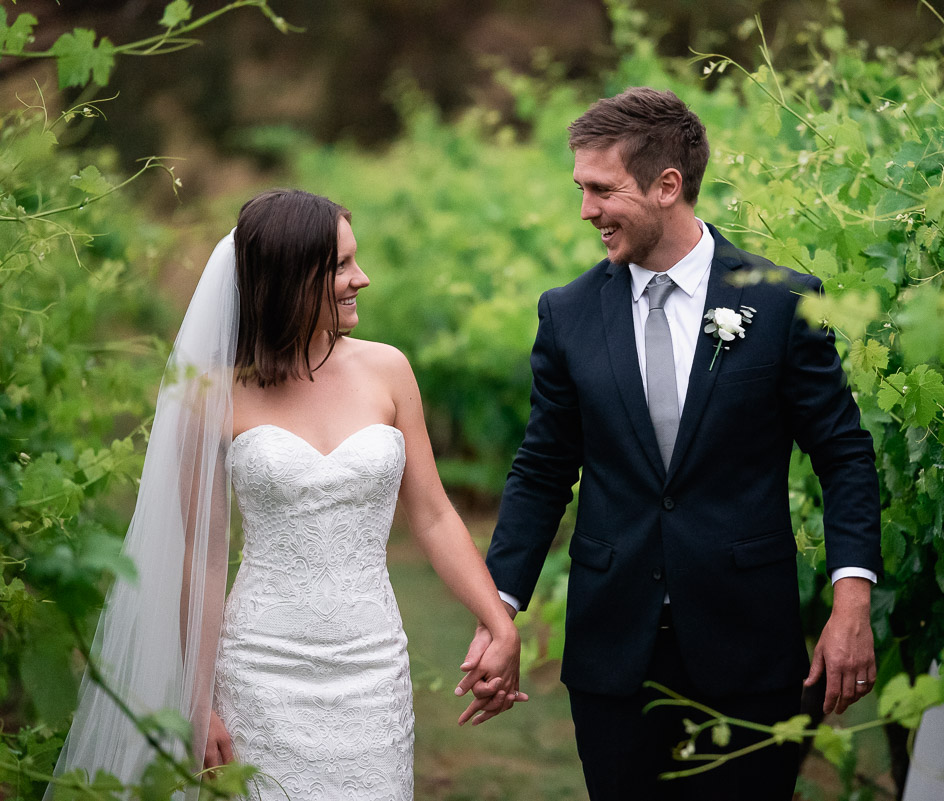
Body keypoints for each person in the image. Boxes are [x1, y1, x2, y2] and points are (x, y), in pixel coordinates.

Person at [458, 88, 883, 800]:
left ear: (667, 186)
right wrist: (500, 606)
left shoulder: (781, 303)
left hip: (748, 644)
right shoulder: (566, 314)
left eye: (602, 189)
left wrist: (852, 601)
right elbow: (542, 469)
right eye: (581, 189)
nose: (586, 210)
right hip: (612, 651)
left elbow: (843, 456)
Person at [49, 189, 522, 801]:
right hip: (258, 666)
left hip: (372, 663)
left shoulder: (388, 370)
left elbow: (432, 514)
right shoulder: (212, 395)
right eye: (342, 267)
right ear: (288, 279)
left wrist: (496, 622)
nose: (363, 279)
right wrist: (197, 704)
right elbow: (201, 559)